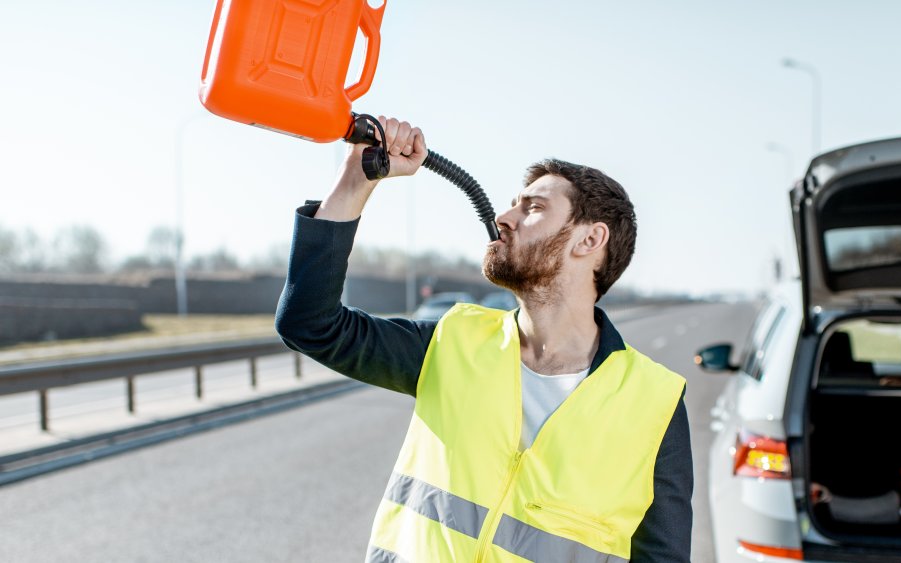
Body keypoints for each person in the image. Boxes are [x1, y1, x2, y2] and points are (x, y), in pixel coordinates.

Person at [275, 117, 693, 562]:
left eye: (532, 208)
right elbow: (310, 323)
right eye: (513, 204)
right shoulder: (453, 343)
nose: (503, 217)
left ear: (590, 238)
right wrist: (355, 181)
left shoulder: (656, 403)